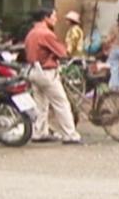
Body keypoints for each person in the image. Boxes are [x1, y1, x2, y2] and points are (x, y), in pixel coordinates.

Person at [24, 8, 81, 144]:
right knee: (61, 103)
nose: (56, 19)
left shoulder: (31, 33)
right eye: (54, 16)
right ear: (46, 18)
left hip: (33, 70)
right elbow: (62, 52)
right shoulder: (46, 34)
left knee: (41, 104)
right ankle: (70, 135)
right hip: (46, 72)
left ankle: (39, 132)